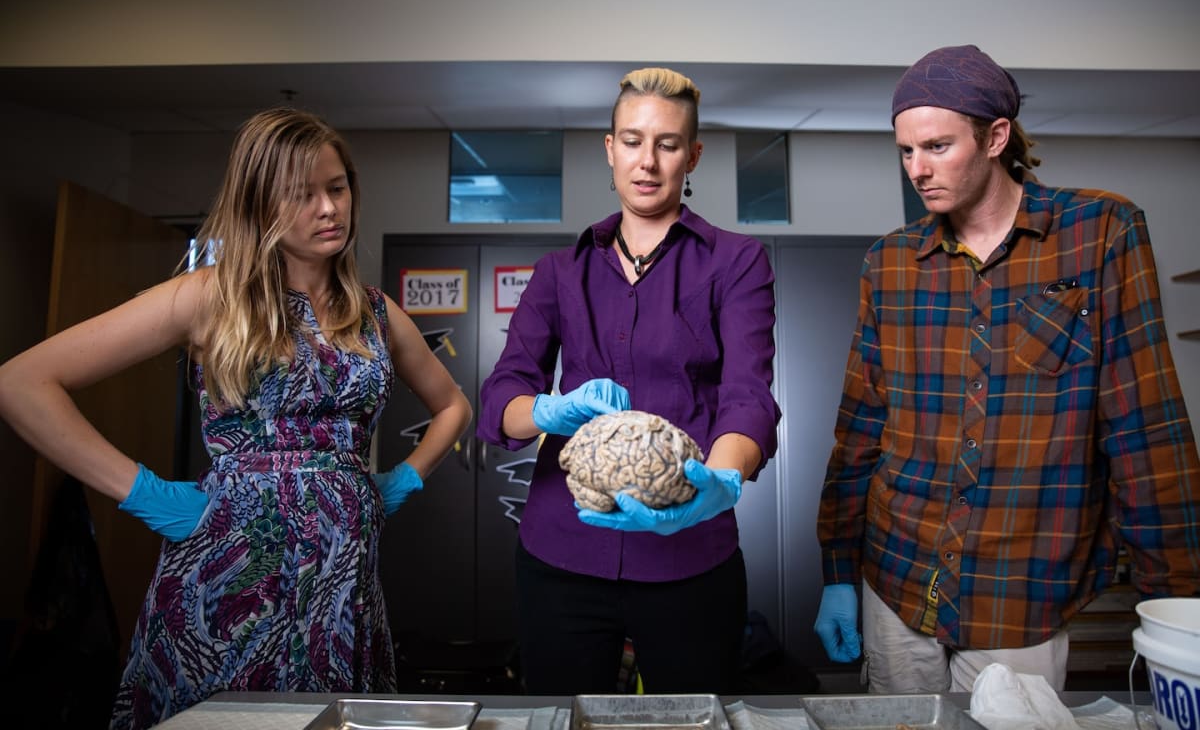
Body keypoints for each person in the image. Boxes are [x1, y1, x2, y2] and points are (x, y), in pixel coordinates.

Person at [0, 107, 472, 728]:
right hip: (227, 574)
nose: (329, 208)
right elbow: (23, 383)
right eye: (302, 195)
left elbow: (453, 406)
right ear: (259, 204)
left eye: (337, 188)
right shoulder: (208, 297)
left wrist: (402, 480)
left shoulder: (376, 313)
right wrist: (144, 492)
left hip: (342, 580)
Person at [813, 44, 1200, 694]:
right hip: (897, 574)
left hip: (1023, 584)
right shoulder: (890, 263)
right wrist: (835, 573)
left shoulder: (1101, 232)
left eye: (936, 147)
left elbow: (1145, 429)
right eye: (905, 151)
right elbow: (858, 434)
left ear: (995, 137)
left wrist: (1179, 604)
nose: (917, 169)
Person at [477, 67, 781, 695]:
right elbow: (500, 398)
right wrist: (549, 410)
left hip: (691, 548)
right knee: (561, 718)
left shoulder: (736, 262)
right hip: (563, 551)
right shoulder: (560, 273)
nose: (648, 162)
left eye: (667, 144)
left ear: (692, 155)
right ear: (609, 149)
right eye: (633, 141)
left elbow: (747, 395)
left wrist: (721, 482)